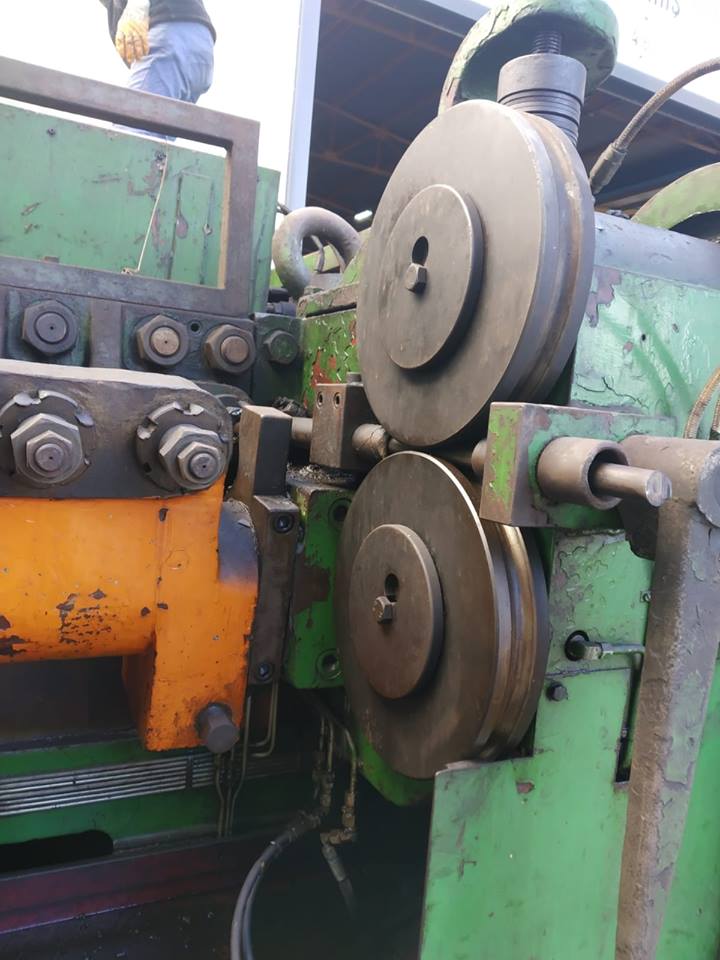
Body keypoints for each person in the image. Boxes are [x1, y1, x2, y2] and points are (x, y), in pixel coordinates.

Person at [100, 0, 215, 104]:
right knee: (163, 118)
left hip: (170, 38)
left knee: (135, 114)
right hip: (198, 42)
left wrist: (137, 6)